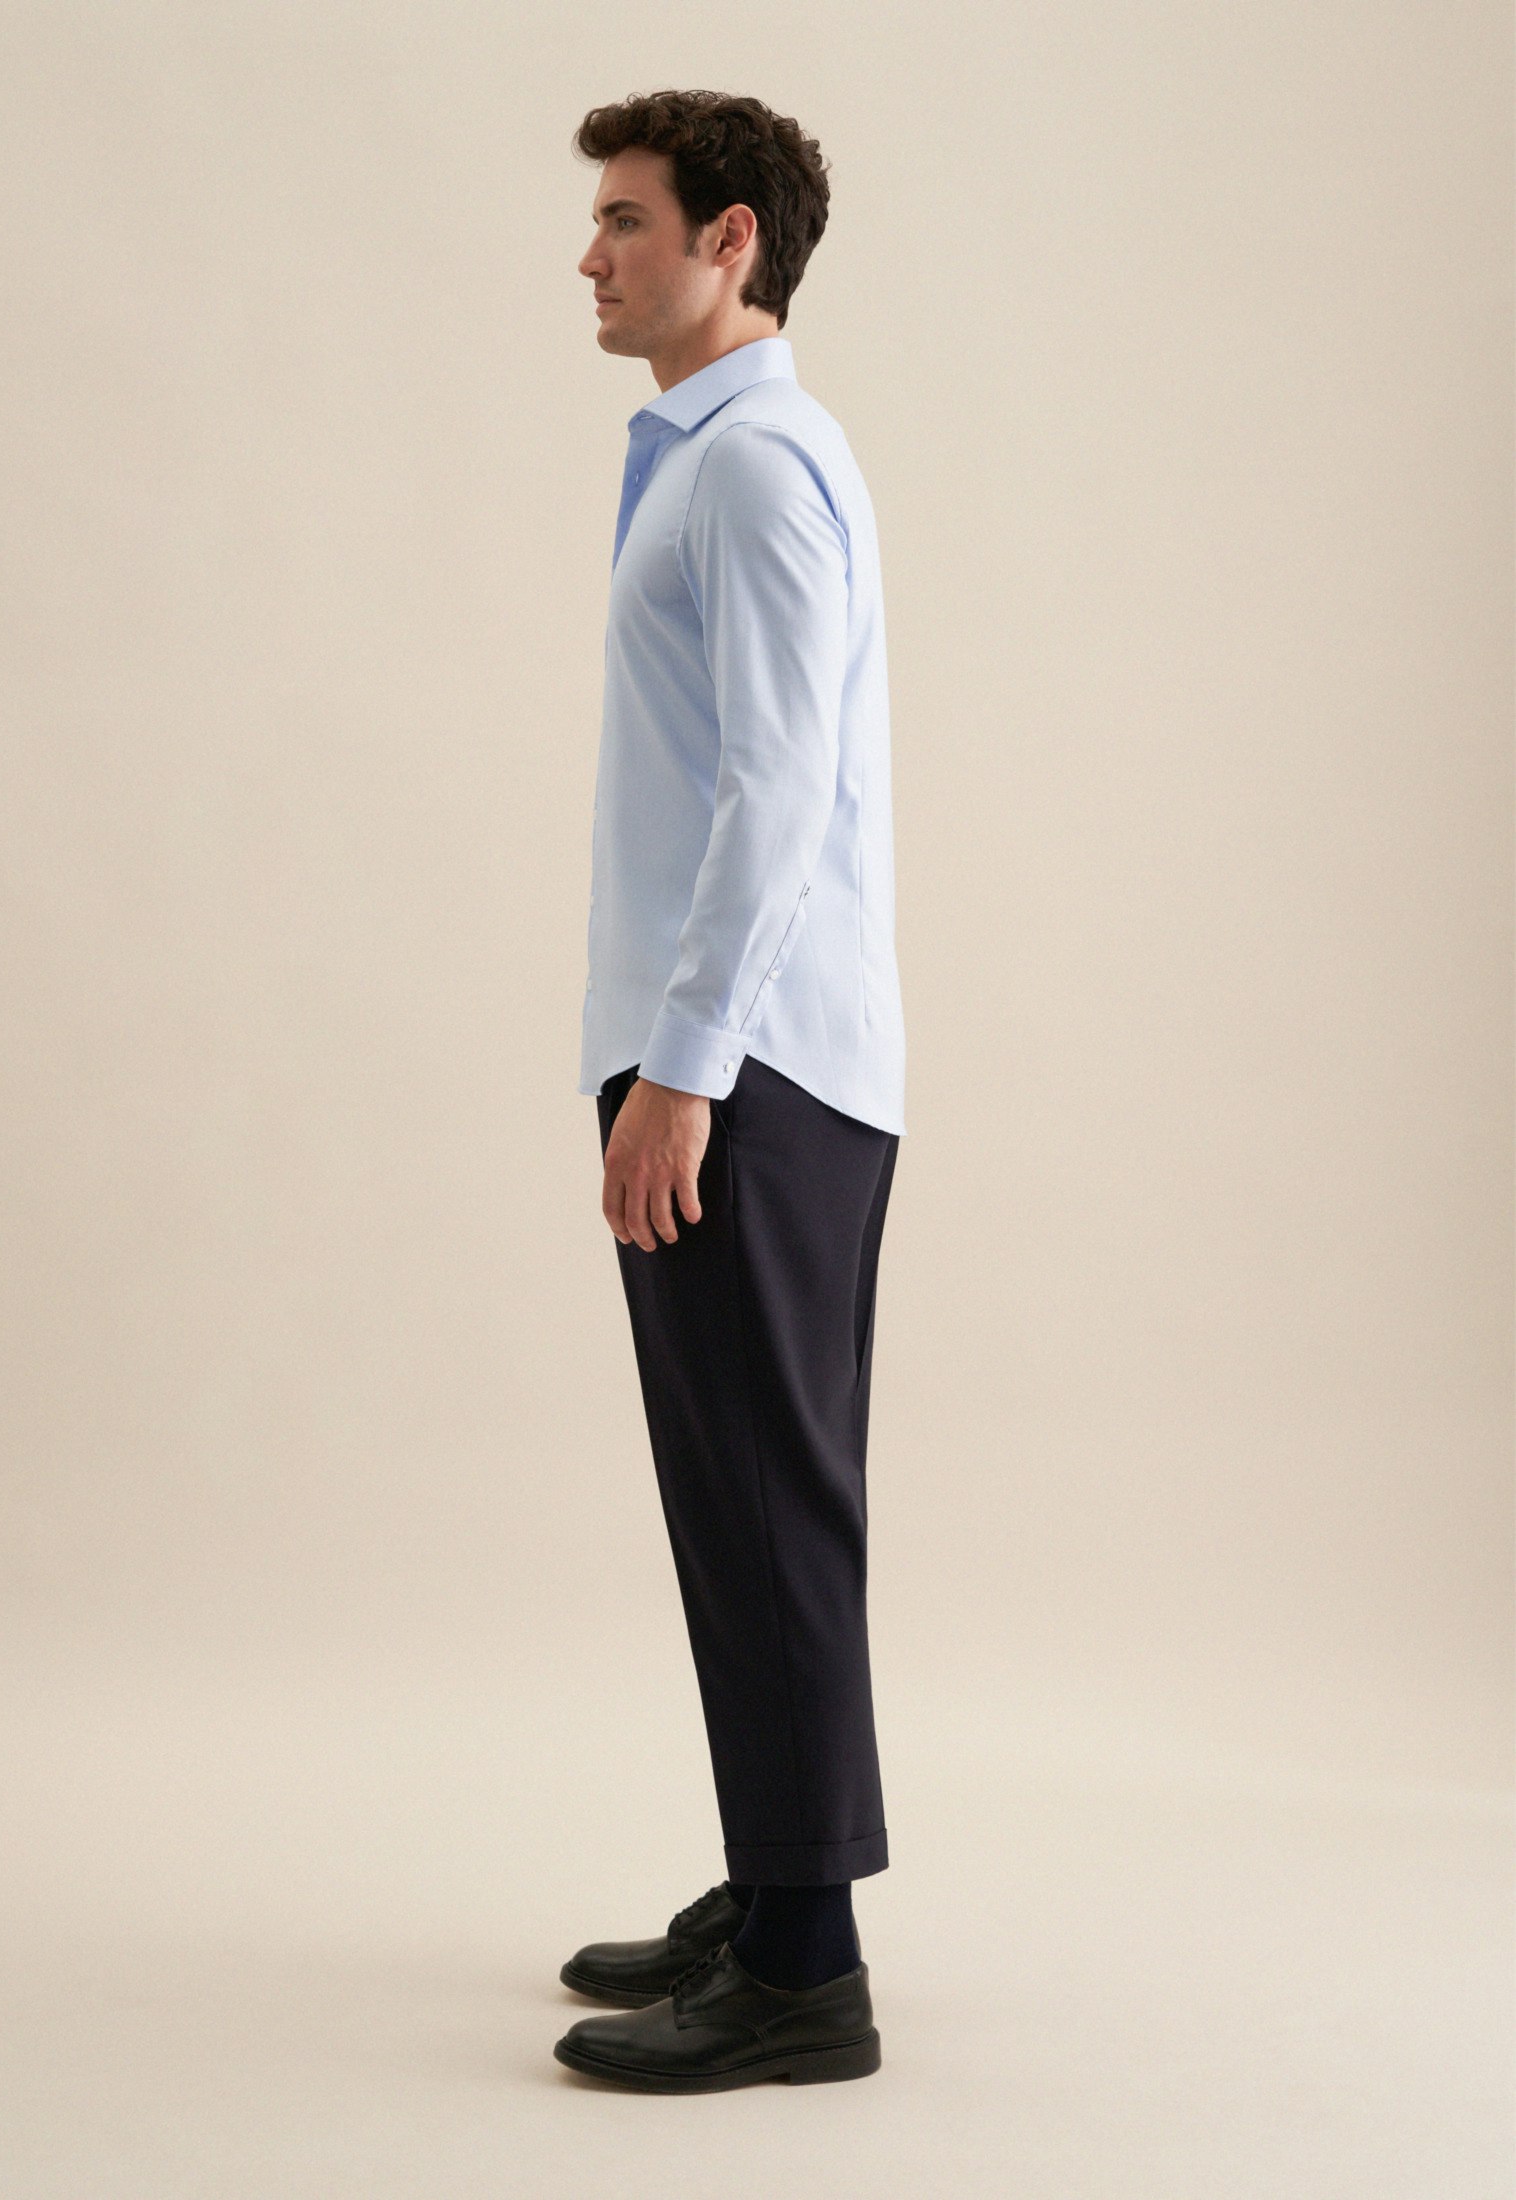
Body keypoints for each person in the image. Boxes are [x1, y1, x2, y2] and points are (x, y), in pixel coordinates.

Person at [555, 88, 907, 2093]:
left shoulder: (758, 469)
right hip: (739, 1058)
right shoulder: (718, 459)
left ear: (731, 239)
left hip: (751, 1070)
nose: (591, 254)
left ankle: (805, 1969)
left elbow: (779, 795)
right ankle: (777, 1890)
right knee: (741, 1496)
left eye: (626, 218)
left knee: (767, 1500)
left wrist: (681, 1073)